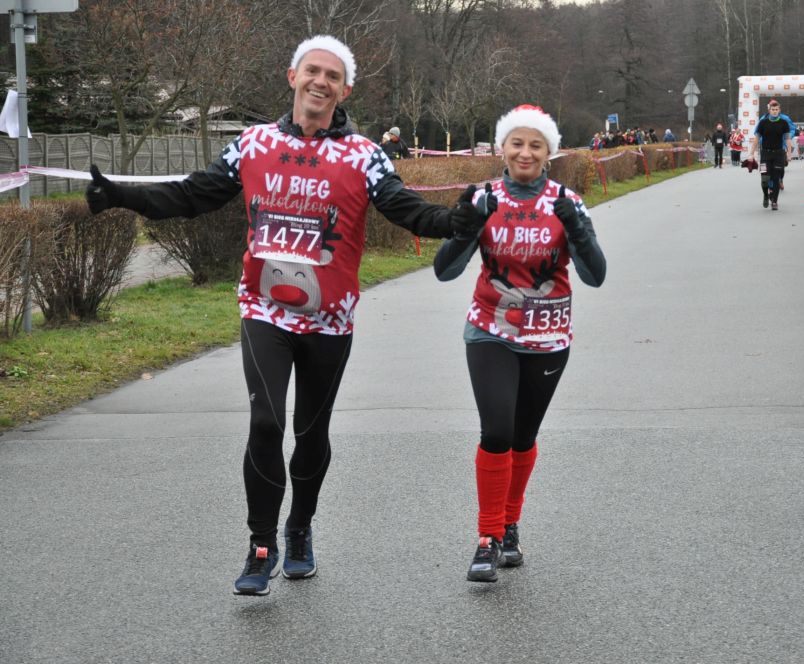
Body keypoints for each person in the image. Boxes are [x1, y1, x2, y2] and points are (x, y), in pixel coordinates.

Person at [85, 35, 480, 597]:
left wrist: (453, 221)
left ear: (345, 90)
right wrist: (121, 195)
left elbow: (405, 208)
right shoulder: (253, 143)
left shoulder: (364, 155)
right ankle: (261, 545)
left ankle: (299, 529)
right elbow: (194, 195)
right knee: (267, 423)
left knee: (310, 432)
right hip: (264, 309)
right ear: (292, 76)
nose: (321, 81)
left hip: (329, 319)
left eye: (333, 76)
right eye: (312, 70)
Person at [432, 105, 606, 583]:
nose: (525, 153)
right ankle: (487, 538)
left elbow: (595, 275)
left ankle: (510, 525)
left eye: (535, 145)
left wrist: (578, 231)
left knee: (523, 437)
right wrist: (469, 225)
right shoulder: (484, 197)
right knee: (497, 432)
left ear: (549, 152)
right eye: (516, 143)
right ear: (502, 148)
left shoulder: (567, 201)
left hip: (547, 336)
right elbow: (445, 270)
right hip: (490, 331)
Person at [748, 99, 795, 211]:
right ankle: (766, 195)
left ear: (779, 110)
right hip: (765, 154)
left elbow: (788, 140)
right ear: (769, 110)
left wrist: (789, 154)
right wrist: (751, 153)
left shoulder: (784, 123)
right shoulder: (763, 123)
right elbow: (756, 139)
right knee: (764, 178)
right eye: (773, 109)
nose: (774, 111)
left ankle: (774, 201)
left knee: (775, 178)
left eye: (776, 109)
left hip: (778, 154)